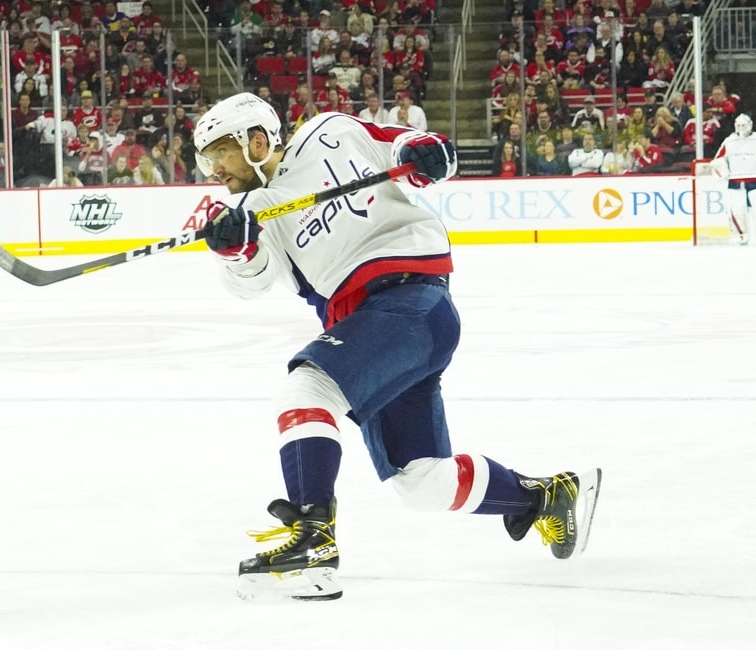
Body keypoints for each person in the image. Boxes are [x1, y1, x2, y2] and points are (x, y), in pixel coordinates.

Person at [192, 92, 603, 601]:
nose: (216, 169)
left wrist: (427, 153)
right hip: (378, 329)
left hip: (412, 303)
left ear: (257, 141)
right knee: (421, 482)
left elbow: (407, 149)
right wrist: (235, 249)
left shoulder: (330, 133)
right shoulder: (255, 211)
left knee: (307, 391)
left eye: (221, 154)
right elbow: (251, 281)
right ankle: (542, 498)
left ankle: (312, 543)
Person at [712, 113, 756, 245]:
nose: (742, 128)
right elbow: (718, 159)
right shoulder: (729, 141)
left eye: (744, 125)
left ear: (750, 125)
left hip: (754, 179)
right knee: (736, 210)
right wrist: (723, 172)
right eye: (739, 125)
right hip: (735, 181)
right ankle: (742, 235)